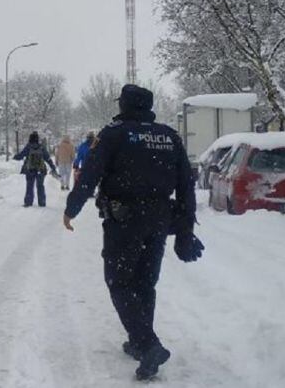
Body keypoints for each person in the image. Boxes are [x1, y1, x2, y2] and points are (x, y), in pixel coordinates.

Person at [62, 84, 205, 381]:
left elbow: (90, 175)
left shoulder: (114, 133)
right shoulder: (169, 136)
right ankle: (139, 343)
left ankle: (149, 343)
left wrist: (71, 208)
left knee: (119, 282)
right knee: (145, 283)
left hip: (125, 219)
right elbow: (186, 184)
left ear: (124, 105)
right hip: (159, 220)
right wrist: (185, 229)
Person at [13, 132, 56, 207]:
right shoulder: (41, 147)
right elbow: (48, 158)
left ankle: (28, 202)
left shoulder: (28, 147)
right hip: (41, 170)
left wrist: (15, 157)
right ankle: (42, 202)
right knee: (40, 186)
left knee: (29, 185)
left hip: (30, 170)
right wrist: (53, 167)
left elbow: (21, 155)